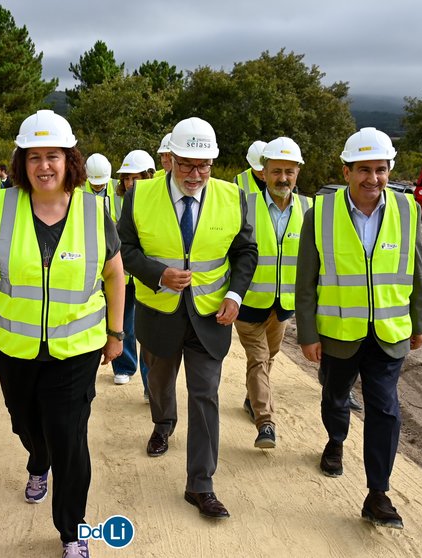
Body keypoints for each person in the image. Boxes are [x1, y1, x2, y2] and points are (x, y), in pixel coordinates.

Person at [0, 110, 124, 558]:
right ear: (21, 162)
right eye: (33, 157)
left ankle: (72, 531)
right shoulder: (2, 206)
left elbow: (115, 273)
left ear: (68, 159)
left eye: (52, 155)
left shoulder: (94, 210)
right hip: (15, 349)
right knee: (26, 424)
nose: (43, 166)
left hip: (76, 352)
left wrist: (115, 333)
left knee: (69, 437)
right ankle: (38, 460)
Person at [119, 117, 258, 519]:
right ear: (169, 159)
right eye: (186, 165)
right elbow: (122, 248)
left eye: (205, 166)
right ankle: (163, 423)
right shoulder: (140, 196)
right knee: (160, 383)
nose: (196, 175)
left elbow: (246, 253)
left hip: (209, 315)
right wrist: (156, 274)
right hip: (159, 313)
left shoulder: (232, 198)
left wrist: (234, 294)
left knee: (205, 395)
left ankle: (201, 485)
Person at [295, 127, 422, 530]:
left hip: (389, 331)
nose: (373, 178)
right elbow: (306, 280)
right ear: (347, 170)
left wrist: (418, 322)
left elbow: (416, 269)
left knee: (386, 408)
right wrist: (308, 334)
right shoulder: (321, 214)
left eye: (381, 169)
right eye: (364, 170)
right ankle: (336, 441)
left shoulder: (408, 210)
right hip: (338, 330)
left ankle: (378, 493)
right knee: (335, 396)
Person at [233, 137, 311, 449]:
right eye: (276, 171)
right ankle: (265, 422)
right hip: (249, 302)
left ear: (297, 174)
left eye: (289, 172)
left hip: (283, 305)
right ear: (263, 172)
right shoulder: (244, 206)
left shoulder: (309, 208)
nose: (283, 178)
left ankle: (253, 397)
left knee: (270, 357)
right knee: (259, 358)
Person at [113, 150, 156, 398]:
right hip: (124, 276)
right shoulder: (119, 199)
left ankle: (151, 386)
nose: (130, 183)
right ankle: (125, 367)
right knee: (126, 325)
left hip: (149, 276)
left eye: (135, 178)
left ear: (148, 176)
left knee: (150, 333)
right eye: (127, 178)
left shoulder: (159, 201)